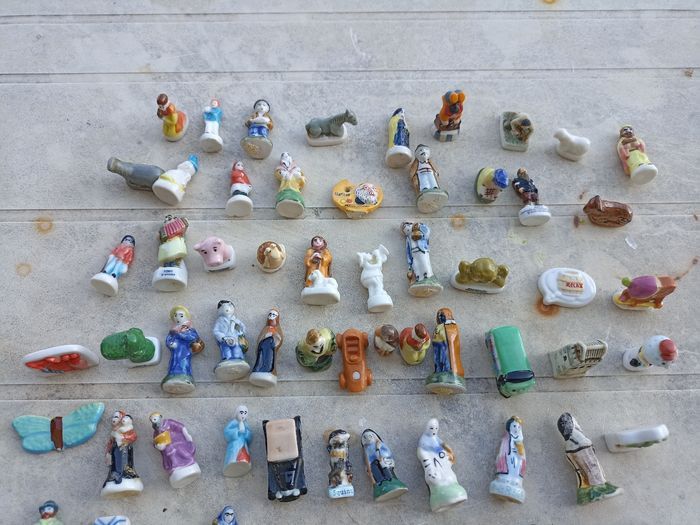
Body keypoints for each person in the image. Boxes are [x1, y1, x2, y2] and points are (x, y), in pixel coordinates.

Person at [162, 306, 204, 393]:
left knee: (184, 361)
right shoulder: (173, 330)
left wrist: (181, 335)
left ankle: (185, 375)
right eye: (175, 316)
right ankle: (172, 376)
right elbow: (168, 339)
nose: (178, 318)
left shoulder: (189, 329)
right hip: (176, 350)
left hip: (185, 349)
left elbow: (193, 337)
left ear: (186, 317)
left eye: (181, 316)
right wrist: (170, 343)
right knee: (174, 362)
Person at [223, 405, 252, 476]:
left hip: (243, 443)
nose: (243, 415)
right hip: (235, 443)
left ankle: (244, 462)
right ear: (237, 413)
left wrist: (246, 432)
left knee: (244, 453)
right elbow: (226, 432)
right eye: (241, 413)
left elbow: (250, 435)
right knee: (234, 453)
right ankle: (231, 464)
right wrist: (237, 431)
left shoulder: (245, 424)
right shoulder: (234, 423)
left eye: (245, 413)